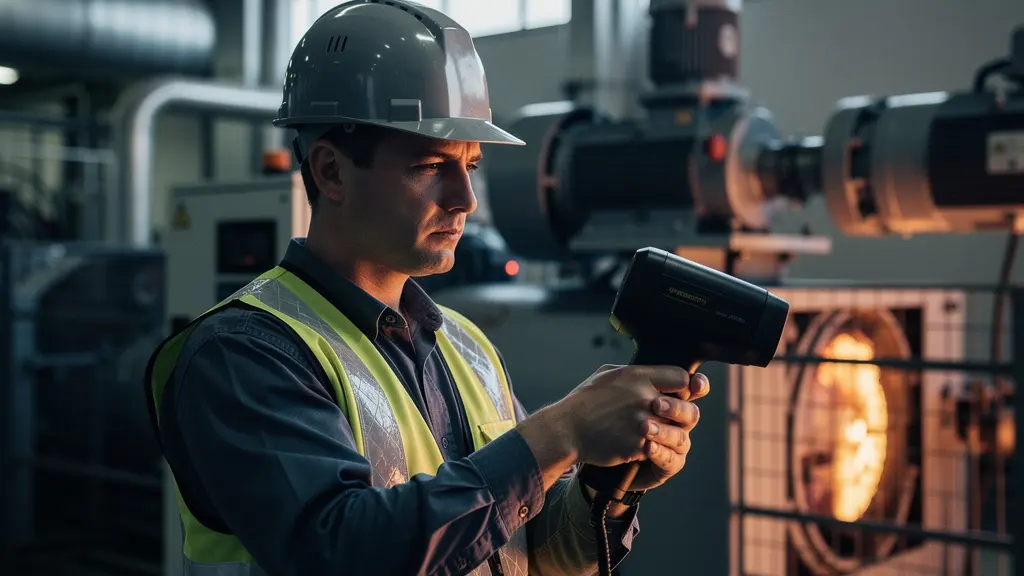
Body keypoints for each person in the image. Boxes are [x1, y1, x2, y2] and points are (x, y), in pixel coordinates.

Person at [145, 2, 710, 575]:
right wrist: (561, 430)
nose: (464, 199)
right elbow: (342, 552)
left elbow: (533, 551)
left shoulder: (466, 346)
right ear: (330, 172)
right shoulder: (244, 353)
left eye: (470, 164)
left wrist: (607, 483)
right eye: (431, 164)